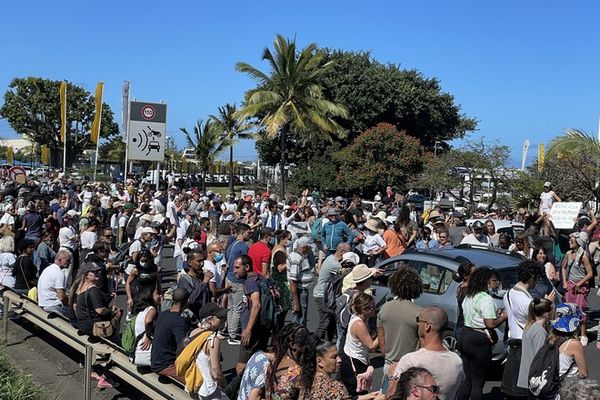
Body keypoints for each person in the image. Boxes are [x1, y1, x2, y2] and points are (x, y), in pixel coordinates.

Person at [387, 307, 463, 400]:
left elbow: (391, 396)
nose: (417, 324)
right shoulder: (457, 361)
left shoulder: (410, 360)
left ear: (427, 326)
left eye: (419, 320)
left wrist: (392, 377)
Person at [457, 267, 507, 400]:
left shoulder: (469, 296)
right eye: (495, 281)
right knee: (478, 383)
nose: (497, 284)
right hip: (478, 340)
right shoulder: (486, 298)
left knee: (467, 379)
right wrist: (503, 317)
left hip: (465, 334)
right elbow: (490, 324)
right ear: (487, 282)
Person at [501, 259, 546, 399]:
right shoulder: (527, 302)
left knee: (512, 392)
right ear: (532, 277)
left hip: (513, 346)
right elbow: (538, 325)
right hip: (526, 348)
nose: (536, 282)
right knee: (525, 392)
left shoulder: (508, 294)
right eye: (537, 279)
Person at [377, 267, 422, 376]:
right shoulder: (419, 312)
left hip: (389, 364)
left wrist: (387, 357)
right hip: (410, 366)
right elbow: (423, 342)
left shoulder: (384, 308)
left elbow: (381, 339)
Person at [234, 254, 269, 374]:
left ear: (247, 267)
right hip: (261, 327)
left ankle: (240, 390)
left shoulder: (250, 282)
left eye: (238, 268)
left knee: (241, 366)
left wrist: (248, 329)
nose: (235, 271)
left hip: (251, 330)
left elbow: (256, 305)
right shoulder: (258, 278)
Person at [311, 340, 380, 400]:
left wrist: (368, 396)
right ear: (319, 361)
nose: (339, 360)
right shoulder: (334, 387)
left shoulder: (307, 381)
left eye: (338, 356)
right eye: (334, 357)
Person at [187, 302, 229, 400]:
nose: (223, 319)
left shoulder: (194, 332)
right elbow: (216, 372)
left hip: (195, 383)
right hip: (209, 390)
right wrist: (226, 387)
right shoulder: (213, 340)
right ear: (209, 319)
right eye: (220, 317)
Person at [265, 322, 317, 400]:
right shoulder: (295, 372)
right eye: (304, 344)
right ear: (292, 345)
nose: (307, 348)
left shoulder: (273, 364)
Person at [341, 292, 379, 396]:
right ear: (364, 309)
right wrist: (382, 333)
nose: (374, 310)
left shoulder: (361, 319)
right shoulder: (359, 324)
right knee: (355, 392)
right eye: (372, 307)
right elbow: (371, 346)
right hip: (354, 361)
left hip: (356, 358)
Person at [313, 242, 351, 340]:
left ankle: (327, 343)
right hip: (322, 295)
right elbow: (349, 272)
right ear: (342, 252)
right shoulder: (333, 264)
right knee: (325, 322)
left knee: (331, 323)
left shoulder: (331, 258)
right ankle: (313, 343)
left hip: (326, 294)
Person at [150, 288, 189, 384]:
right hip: (165, 365)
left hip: (155, 360)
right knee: (195, 381)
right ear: (186, 302)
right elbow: (183, 346)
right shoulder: (179, 321)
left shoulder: (163, 314)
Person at [561, 231, 593, 345]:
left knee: (580, 310)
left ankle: (583, 335)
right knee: (569, 309)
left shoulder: (583, 256)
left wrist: (579, 283)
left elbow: (590, 273)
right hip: (570, 285)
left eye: (572, 241)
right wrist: (564, 281)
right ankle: (570, 332)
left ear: (578, 242)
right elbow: (563, 268)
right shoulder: (568, 253)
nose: (569, 242)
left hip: (580, 286)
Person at [74, 262, 122, 338]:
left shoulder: (80, 288)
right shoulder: (93, 289)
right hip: (94, 326)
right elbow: (100, 310)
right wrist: (111, 311)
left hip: (82, 324)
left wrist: (108, 296)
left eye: (97, 271)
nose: (97, 273)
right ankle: (114, 338)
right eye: (93, 271)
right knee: (118, 312)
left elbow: (75, 307)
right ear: (86, 275)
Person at [516, 298, 553, 391]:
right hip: (534, 378)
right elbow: (540, 357)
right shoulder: (539, 331)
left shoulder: (530, 326)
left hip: (527, 376)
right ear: (546, 313)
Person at [225, 223, 252, 345]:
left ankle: (231, 330)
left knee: (231, 307)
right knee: (237, 308)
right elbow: (247, 263)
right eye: (248, 233)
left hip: (230, 277)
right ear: (242, 233)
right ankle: (233, 334)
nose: (249, 235)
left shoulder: (232, 245)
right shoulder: (243, 247)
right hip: (238, 280)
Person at [177, 248, 213, 319]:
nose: (202, 264)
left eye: (203, 261)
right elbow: (191, 300)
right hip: (192, 319)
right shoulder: (184, 280)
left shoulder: (202, 277)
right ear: (190, 262)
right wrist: (204, 283)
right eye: (199, 261)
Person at [287, 236, 315, 326]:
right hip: (299, 291)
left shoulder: (301, 256)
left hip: (302, 290)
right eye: (309, 247)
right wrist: (296, 302)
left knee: (301, 316)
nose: (311, 249)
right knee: (299, 319)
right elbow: (293, 282)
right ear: (305, 247)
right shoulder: (296, 259)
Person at [37, 249, 72, 319]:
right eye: (67, 260)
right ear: (59, 260)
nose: (70, 262)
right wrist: (69, 302)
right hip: (53, 305)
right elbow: (61, 296)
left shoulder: (48, 269)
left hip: (43, 303)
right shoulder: (59, 273)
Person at [270, 230, 293, 331]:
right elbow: (280, 267)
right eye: (289, 239)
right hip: (280, 281)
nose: (291, 241)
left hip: (277, 279)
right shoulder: (280, 251)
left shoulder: (278, 248)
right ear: (282, 239)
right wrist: (290, 261)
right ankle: (279, 329)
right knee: (283, 306)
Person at [454, 260, 475, 341]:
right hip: (465, 328)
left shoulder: (461, 287)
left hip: (461, 326)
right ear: (465, 276)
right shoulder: (466, 290)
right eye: (473, 274)